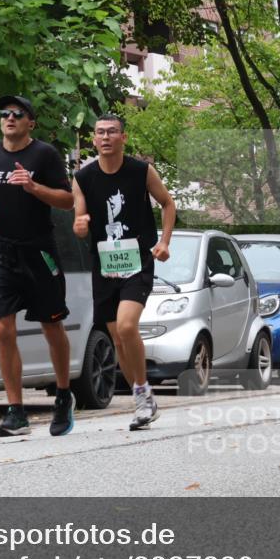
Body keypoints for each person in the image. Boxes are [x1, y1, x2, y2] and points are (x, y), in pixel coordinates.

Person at [0, 95, 76, 437]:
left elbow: (67, 199)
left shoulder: (44, 155)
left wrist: (32, 187)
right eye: (4, 113)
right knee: (2, 329)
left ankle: (62, 395)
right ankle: (16, 412)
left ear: (31, 122)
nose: (9, 118)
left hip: (39, 250)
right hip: (1, 250)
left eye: (18, 114)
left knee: (51, 326)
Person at [73, 114, 176, 430]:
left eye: (112, 132)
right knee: (117, 339)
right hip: (104, 264)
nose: (105, 137)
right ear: (93, 140)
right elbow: (79, 222)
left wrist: (164, 242)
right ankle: (143, 397)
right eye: (100, 133)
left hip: (137, 261)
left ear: (123, 138)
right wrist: (80, 225)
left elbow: (168, 205)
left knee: (128, 326)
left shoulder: (141, 171)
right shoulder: (82, 178)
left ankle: (143, 396)